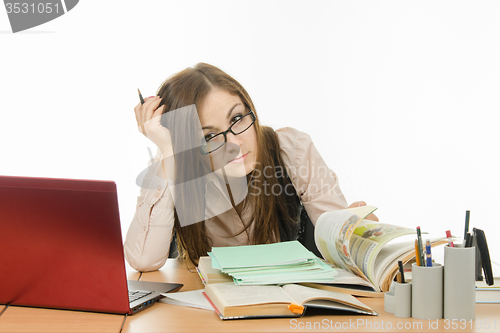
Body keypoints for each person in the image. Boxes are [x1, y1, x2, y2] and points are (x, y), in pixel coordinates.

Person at [125, 63, 378, 272]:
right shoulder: (172, 169)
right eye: (209, 136)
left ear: (249, 109)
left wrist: (355, 234)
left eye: (237, 119)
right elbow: (144, 261)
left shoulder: (292, 150)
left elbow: (339, 240)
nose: (234, 143)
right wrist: (169, 154)